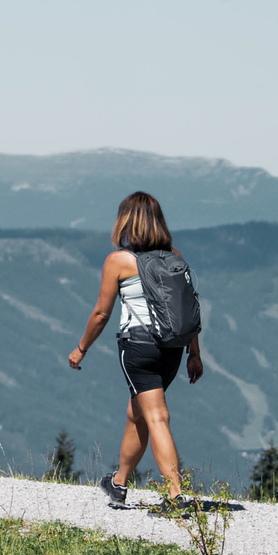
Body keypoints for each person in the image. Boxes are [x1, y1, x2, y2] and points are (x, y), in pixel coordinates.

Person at [68, 192, 203, 508]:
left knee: (155, 416)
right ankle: (119, 483)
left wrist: (81, 349)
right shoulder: (175, 256)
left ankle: (175, 495)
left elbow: (101, 313)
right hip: (172, 347)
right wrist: (194, 354)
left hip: (138, 348)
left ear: (125, 223)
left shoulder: (118, 261)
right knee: (137, 413)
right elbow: (189, 307)